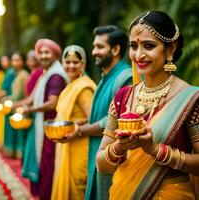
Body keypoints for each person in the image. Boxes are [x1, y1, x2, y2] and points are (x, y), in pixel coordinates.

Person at [96, 10, 199, 199]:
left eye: (149, 46)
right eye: (133, 46)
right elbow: (101, 164)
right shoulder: (123, 97)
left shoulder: (190, 98)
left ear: (170, 49)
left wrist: (155, 150)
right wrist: (119, 147)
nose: (138, 55)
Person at [60, 26, 132, 199]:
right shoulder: (105, 78)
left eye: (100, 47)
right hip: (96, 152)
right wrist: (83, 124)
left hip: (113, 156)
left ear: (115, 49)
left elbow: (120, 120)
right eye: (94, 46)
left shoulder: (125, 77)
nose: (93, 52)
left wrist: (80, 131)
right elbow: (100, 116)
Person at [22, 39, 68, 199]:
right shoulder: (45, 73)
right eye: (40, 52)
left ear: (55, 55)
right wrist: (17, 105)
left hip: (51, 129)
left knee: (48, 166)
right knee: (43, 165)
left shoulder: (55, 75)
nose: (43, 55)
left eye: (47, 52)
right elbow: (32, 97)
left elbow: (52, 104)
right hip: (42, 126)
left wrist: (31, 109)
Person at [51, 45, 96, 200]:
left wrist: (75, 128)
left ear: (83, 64)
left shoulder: (83, 88)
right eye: (67, 61)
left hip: (80, 145)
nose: (71, 66)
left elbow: (94, 119)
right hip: (67, 144)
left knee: (77, 187)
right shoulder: (70, 86)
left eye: (75, 62)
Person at [2, 52, 29, 158]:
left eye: (17, 60)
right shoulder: (13, 74)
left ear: (23, 62)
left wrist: (10, 101)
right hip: (12, 105)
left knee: (19, 133)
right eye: (13, 60)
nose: (15, 62)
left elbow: (24, 94)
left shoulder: (24, 75)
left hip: (19, 106)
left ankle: (20, 154)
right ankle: (12, 151)